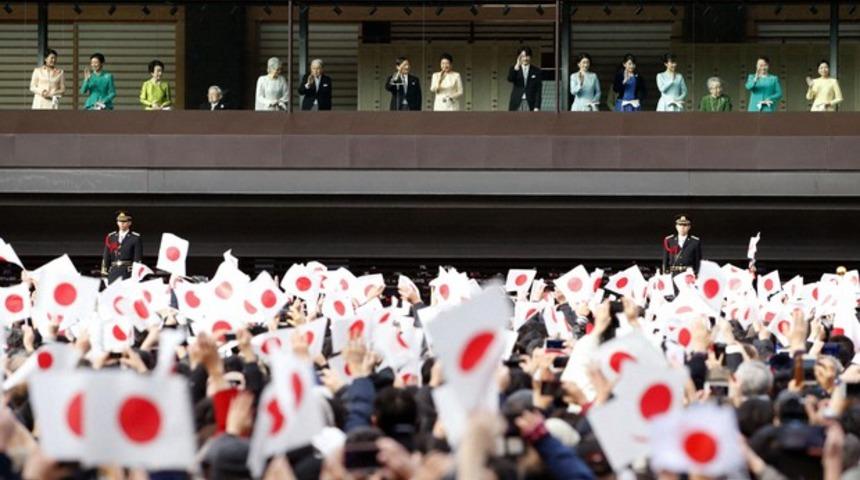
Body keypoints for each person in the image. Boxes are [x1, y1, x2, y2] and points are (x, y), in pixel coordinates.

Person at [100, 211, 143, 284]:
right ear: (117, 222)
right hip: (113, 273)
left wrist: (136, 275)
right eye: (120, 221)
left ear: (129, 223)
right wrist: (104, 274)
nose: (122, 223)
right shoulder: (111, 237)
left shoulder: (135, 238)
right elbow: (106, 256)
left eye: (124, 221)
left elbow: (137, 259)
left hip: (128, 273)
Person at [507, 47, 542, 111]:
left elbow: (538, 90)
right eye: (523, 56)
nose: (525, 58)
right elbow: (510, 79)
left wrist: (537, 106)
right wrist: (517, 66)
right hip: (517, 101)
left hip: (530, 102)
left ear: (530, 57)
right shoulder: (514, 69)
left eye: (527, 56)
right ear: (519, 57)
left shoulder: (536, 71)